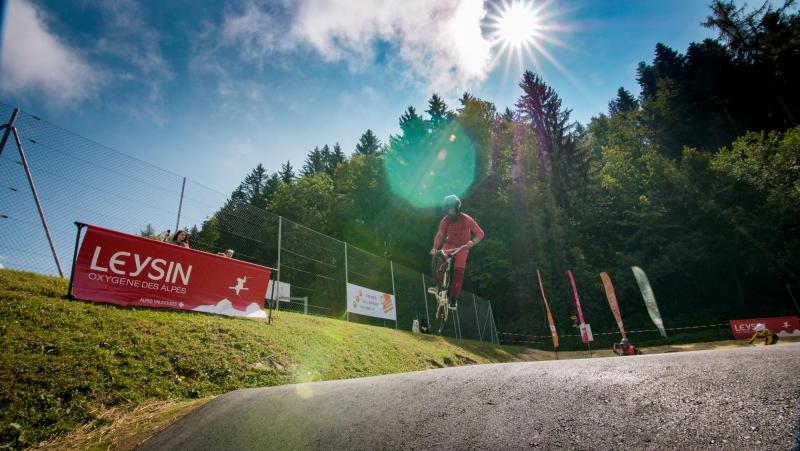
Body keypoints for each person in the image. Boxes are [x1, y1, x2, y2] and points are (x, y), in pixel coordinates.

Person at [430, 194, 484, 308]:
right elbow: (440, 234)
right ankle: (436, 286)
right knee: (440, 259)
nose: (450, 213)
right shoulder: (445, 221)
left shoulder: (466, 219)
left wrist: (473, 242)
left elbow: (480, 233)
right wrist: (434, 248)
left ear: (458, 208)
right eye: (447, 211)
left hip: (463, 247)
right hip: (450, 244)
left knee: (458, 272)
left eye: (452, 210)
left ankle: (454, 299)